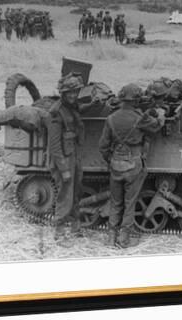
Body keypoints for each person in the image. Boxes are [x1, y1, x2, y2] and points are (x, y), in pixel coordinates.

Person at [99, 83, 166, 248]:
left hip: (115, 164)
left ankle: (110, 237)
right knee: (130, 203)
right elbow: (157, 125)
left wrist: (112, 160)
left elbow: (102, 146)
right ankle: (123, 239)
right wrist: (161, 114)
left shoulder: (111, 119)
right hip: (134, 165)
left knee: (116, 202)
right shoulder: (140, 118)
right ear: (136, 100)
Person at [48, 74, 85, 242]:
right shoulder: (56, 112)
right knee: (65, 195)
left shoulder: (72, 106)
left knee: (76, 192)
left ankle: (76, 228)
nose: (73, 95)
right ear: (63, 93)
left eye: (75, 91)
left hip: (74, 155)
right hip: (63, 159)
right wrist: (63, 169)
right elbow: (54, 146)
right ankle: (60, 232)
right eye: (70, 92)